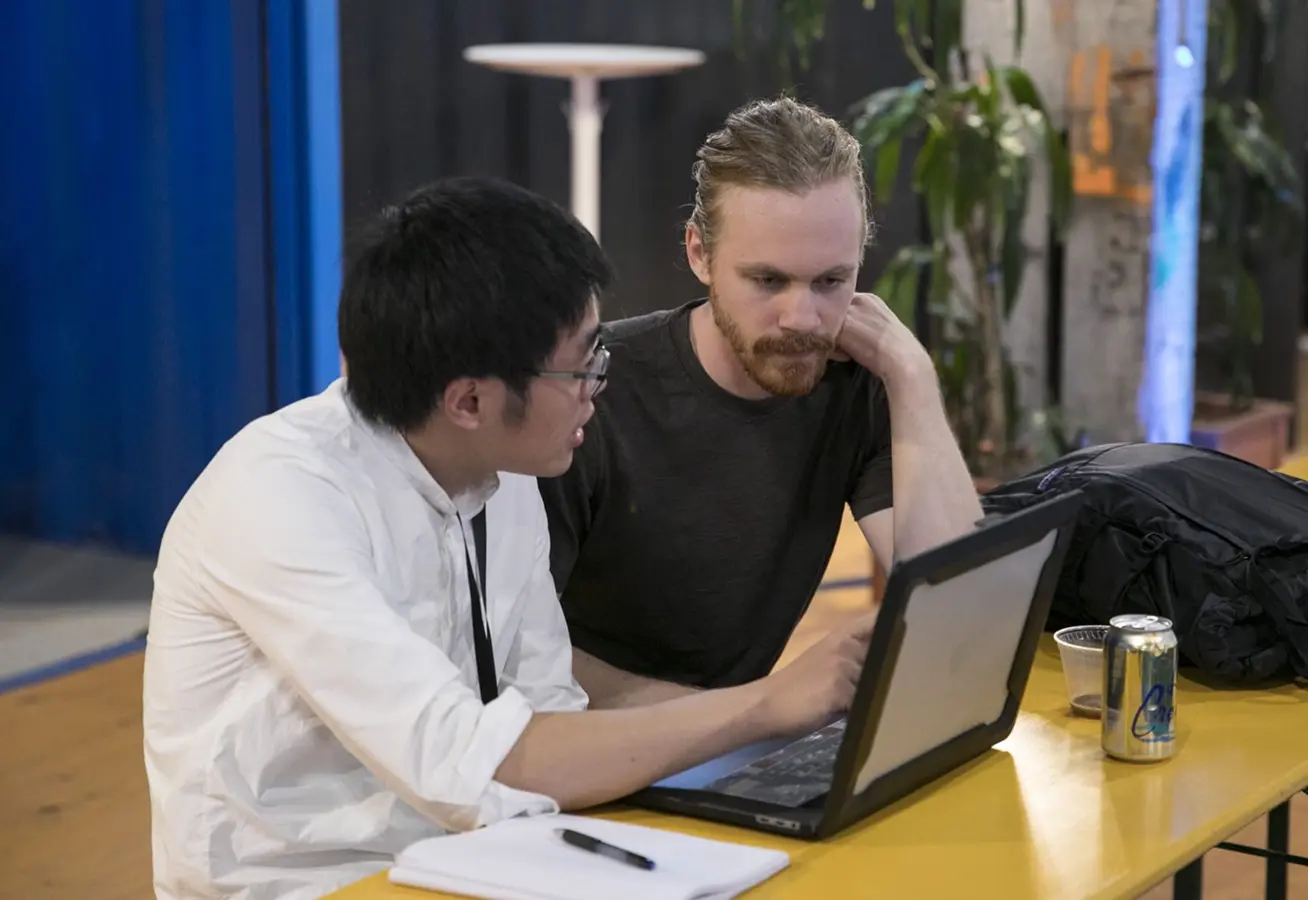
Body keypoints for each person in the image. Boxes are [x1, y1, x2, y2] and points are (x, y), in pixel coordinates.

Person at [141, 176, 875, 900]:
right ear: (469, 400)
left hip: (464, 859)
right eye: (583, 363)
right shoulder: (280, 495)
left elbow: (548, 718)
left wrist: (778, 741)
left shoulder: (506, 473)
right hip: (307, 884)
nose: (600, 383)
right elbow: (469, 761)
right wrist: (765, 707)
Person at [538, 97, 983, 708]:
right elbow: (518, 653)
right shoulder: (592, 391)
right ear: (699, 254)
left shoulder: (856, 384)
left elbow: (954, 613)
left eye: (831, 281)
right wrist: (748, 717)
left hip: (735, 745)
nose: (802, 318)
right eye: (768, 280)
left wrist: (913, 377)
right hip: (590, 750)